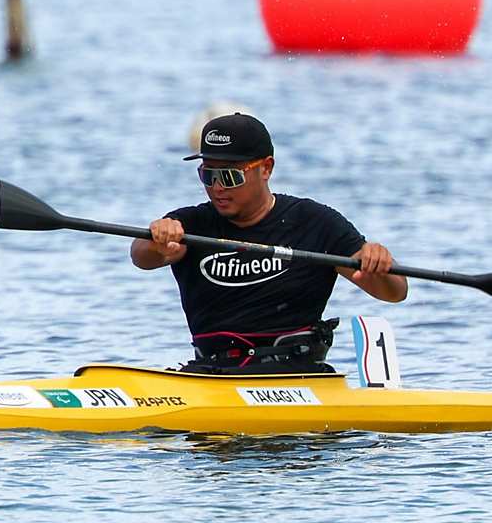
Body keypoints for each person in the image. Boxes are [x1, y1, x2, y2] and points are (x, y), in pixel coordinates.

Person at [131, 113, 407, 374]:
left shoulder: (314, 222)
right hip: (213, 375)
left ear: (266, 168)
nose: (217, 187)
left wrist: (379, 264)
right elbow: (142, 257)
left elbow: (394, 293)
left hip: (298, 375)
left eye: (229, 176)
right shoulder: (190, 225)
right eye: (208, 175)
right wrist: (157, 240)